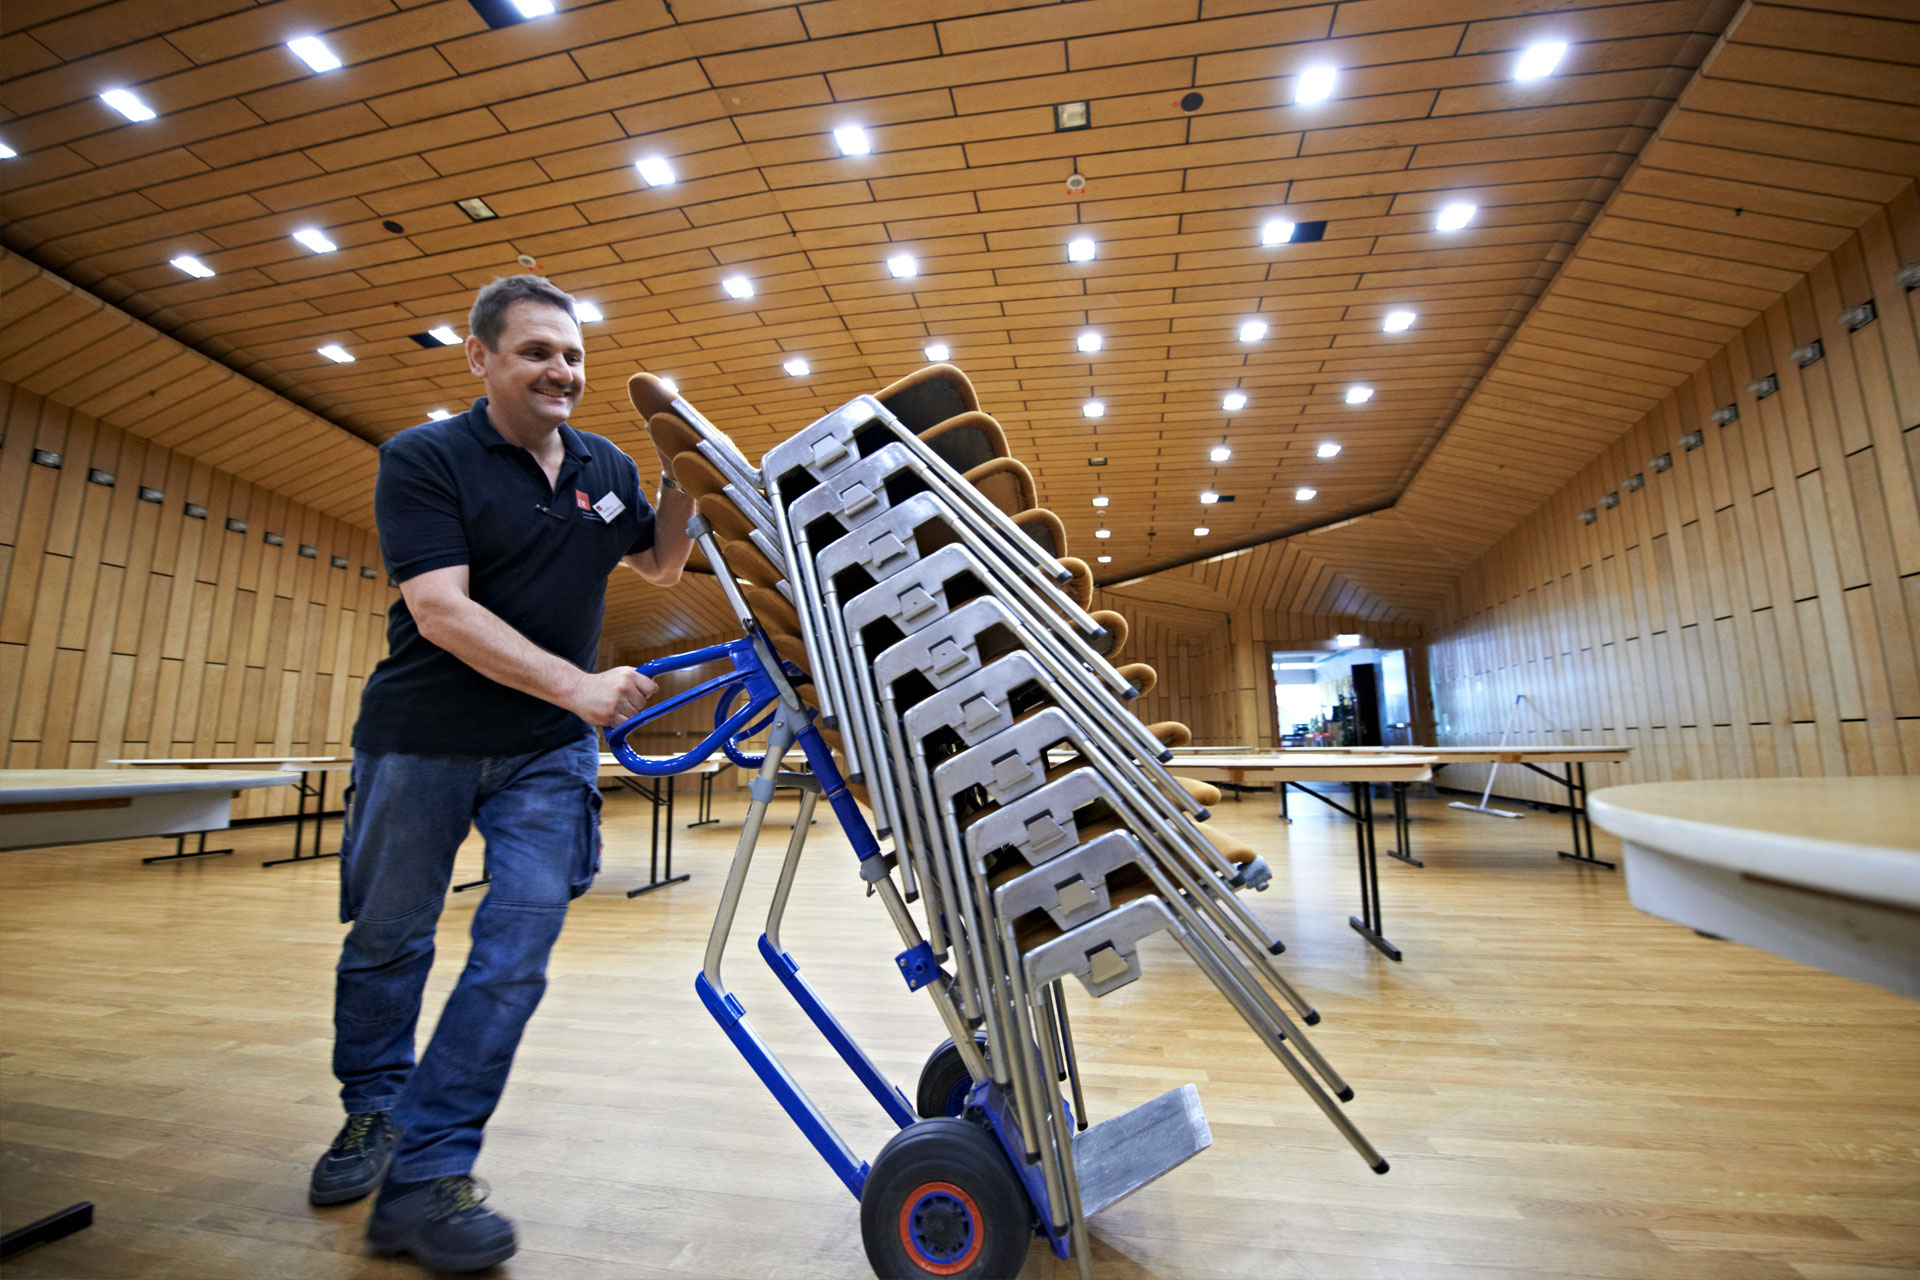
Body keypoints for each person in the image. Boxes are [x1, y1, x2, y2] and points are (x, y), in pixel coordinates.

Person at [308, 275, 693, 1272]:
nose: (560, 369)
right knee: (390, 934)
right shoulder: (426, 459)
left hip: (543, 751)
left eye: (570, 353)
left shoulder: (604, 466)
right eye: (536, 352)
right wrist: (579, 685)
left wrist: (685, 476)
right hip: (421, 736)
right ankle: (374, 1110)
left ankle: (430, 1166)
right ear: (480, 358)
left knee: (515, 948)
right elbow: (439, 609)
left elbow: (657, 563)